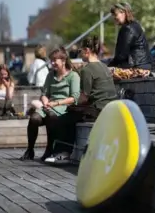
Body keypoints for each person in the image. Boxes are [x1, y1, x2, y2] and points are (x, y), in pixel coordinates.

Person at [44, 36, 118, 164]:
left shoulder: (87, 69)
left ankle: (63, 153)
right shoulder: (104, 66)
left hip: (98, 109)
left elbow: (84, 96)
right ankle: (62, 152)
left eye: (81, 51)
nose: (80, 53)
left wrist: (70, 104)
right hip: (110, 107)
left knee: (64, 119)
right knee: (72, 115)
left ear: (87, 51)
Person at [20, 47, 80, 162]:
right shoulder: (50, 75)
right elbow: (44, 93)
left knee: (51, 116)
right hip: (50, 104)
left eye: (54, 61)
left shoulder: (73, 76)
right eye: (51, 60)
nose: (52, 63)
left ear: (63, 61)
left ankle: (49, 149)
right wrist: (45, 101)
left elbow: (74, 98)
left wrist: (56, 103)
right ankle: (30, 149)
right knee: (34, 118)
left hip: (63, 107)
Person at [108, 2, 152, 78]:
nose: (114, 17)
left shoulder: (128, 28)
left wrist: (109, 65)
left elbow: (122, 54)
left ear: (124, 12)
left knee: (103, 73)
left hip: (136, 67)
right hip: (142, 65)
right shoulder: (134, 25)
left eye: (115, 14)